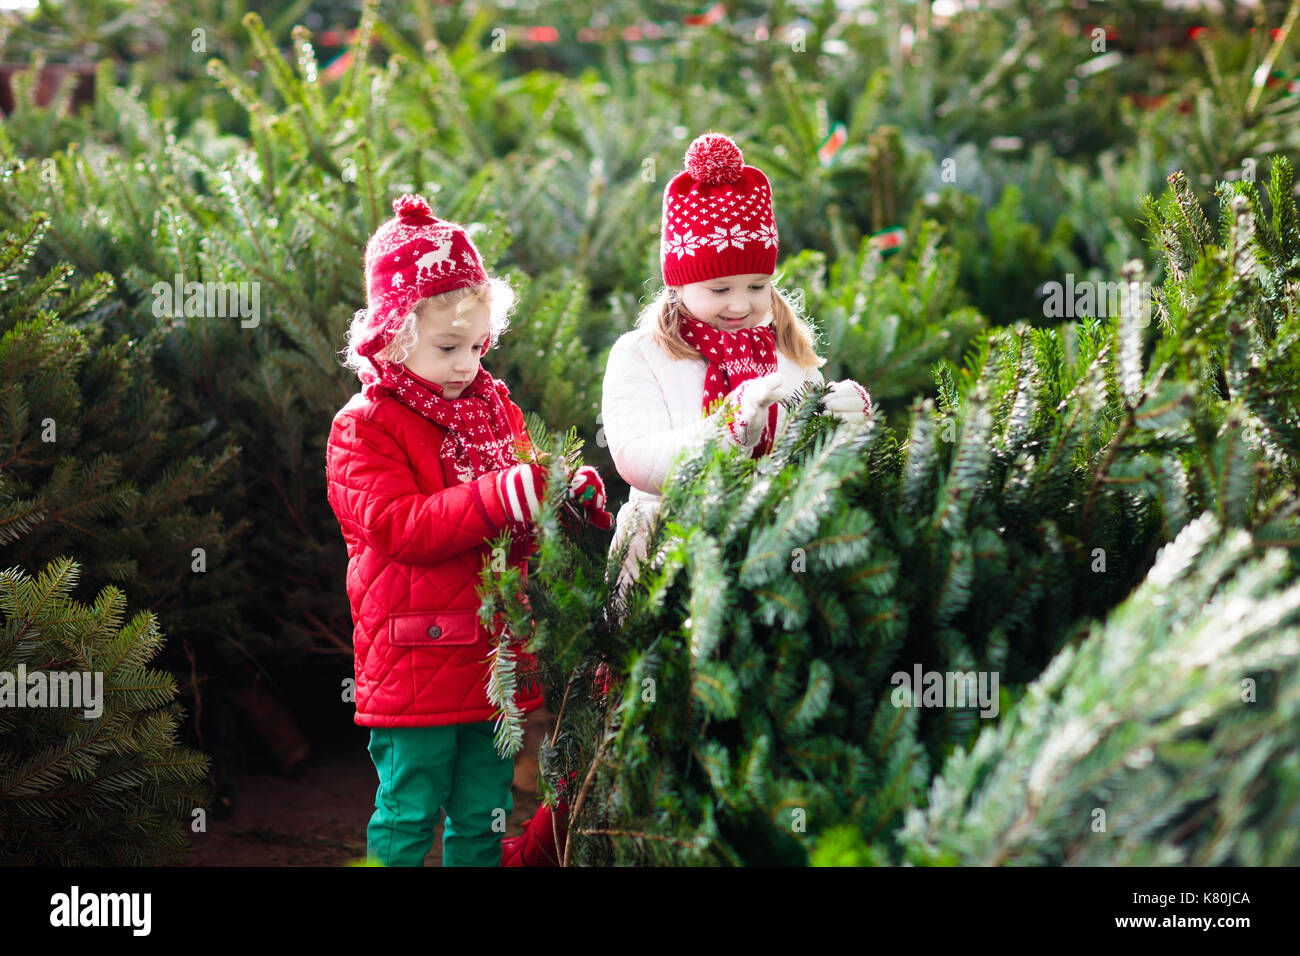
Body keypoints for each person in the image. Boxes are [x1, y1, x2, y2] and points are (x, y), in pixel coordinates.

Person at [326, 194, 610, 866]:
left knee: (484, 813)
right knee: (408, 809)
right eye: (449, 346)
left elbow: (518, 516)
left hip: (494, 664)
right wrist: (498, 493)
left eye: (479, 346)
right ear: (395, 335)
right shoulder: (364, 426)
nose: (467, 364)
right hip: (414, 657)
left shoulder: (491, 408)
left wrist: (561, 501)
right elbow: (401, 528)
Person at [602, 132, 873, 596]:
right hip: (664, 552)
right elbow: (637, 460)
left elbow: (805, 458)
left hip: (773, 548)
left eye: (756, 285)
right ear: (679, 284)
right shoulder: (642, 354)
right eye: (720, 289)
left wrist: (836, 421)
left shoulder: (786, 350)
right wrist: (726, 429)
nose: (740, 304)